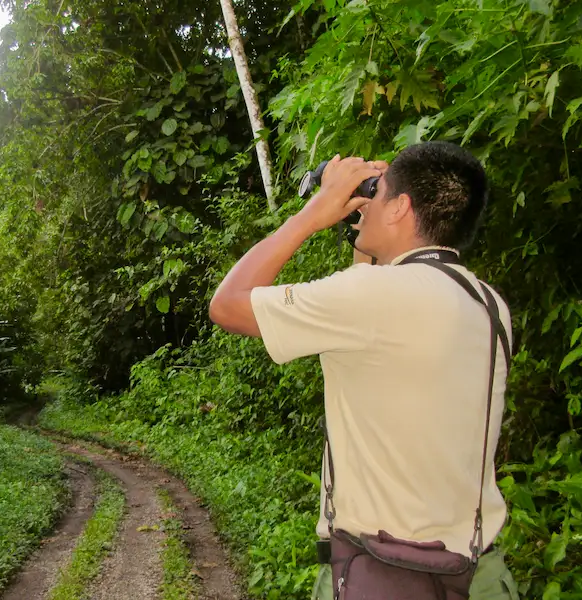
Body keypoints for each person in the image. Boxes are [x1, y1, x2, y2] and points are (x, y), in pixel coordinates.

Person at [208, 141, 519, 600]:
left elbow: (227, 305)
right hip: (477, 575)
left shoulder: (370, 298)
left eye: (378, 193)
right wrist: (363, 226)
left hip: (383, 575)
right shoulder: (489, 304)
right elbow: (372, 318)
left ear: (400, 208)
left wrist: (314, 212)